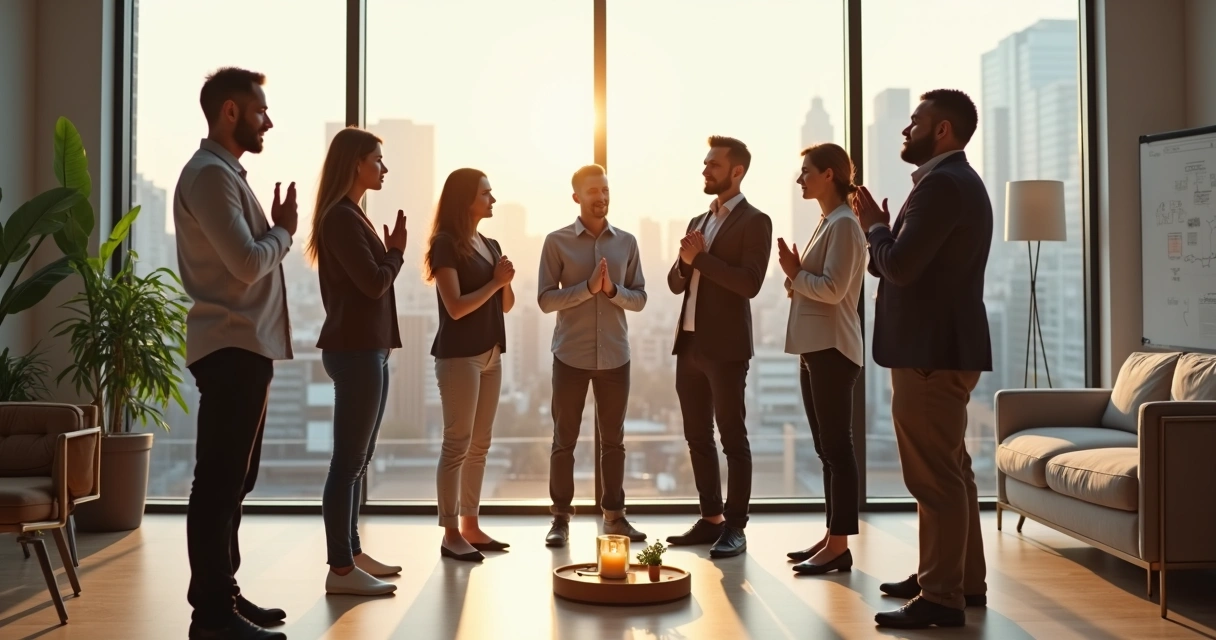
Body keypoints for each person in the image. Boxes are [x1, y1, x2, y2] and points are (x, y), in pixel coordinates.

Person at [852, 89, 993, 629]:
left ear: (943, 131)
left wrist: (874, 229)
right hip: (941, 348)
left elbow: (900, 267)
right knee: (952, 469)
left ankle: (941, 595)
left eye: (915, 122)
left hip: (929, 352)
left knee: (933, 475)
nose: (905, 130)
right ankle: (959, 579)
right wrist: (883, 238)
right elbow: (894, 264)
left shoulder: (942, 186)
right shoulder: (952, 183)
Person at [174, 67, 292, 640]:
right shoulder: (208, 177)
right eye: (260, 110)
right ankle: (212, 616)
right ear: (229, 112)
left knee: (234, 482)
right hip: (230, 345)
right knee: (218, 481)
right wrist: (285, 232)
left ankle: (227, 596)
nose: (267, 119)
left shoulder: (225, 175)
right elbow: (247, 264)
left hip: (246, 346)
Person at [308, 127, 408, 596]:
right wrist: (396, 255)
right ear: (355, 164)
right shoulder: (341, 219)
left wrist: (389, 253)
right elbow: (373, 283)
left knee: (359, 459)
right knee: (347, 462)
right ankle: (340, 570)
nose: (384, 169)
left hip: (369, 348)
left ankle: (352, 552)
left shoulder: (352, 215)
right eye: (378, 160)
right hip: (354, 350)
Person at [666, 136, 773, 559]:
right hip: (688, 343)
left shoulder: (755, 221)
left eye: (713, 164)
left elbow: (749, 283)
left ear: (737, 171)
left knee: (733, 438)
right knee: (697, 436)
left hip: (726, 348)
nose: (706, 170)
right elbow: (678, 283)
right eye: (705, 163)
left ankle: (735, 527)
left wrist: (701, 259)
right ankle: (710, 518)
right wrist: (684, 260)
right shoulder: (698, 219)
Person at [538, 164, 648, 548]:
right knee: (563, 440)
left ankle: (615, 518)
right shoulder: (556, 242)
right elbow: (545, 299)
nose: (600, 196)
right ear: (576, 197)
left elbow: (640, 298)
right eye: (592, 191)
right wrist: (587, 288)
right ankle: (560, 520)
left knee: (613, 441)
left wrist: (613, 291)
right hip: (570, 355)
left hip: (616, 357)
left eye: (604, 189)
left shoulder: (627, 243)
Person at [775, 143, 866, 575]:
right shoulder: (828, 222)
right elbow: (819, 285)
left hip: (833, 348)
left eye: (806, 171)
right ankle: (832, 537)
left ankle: (840, 545)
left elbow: (832, 290)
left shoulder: (846, 225)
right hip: (815, 347)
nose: (800, 179)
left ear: (829, 174)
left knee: (836, 448)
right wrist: (797, 279)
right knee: (825, 449)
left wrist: (795, 273)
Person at [425, 168, 515, 562]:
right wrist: (496, 282)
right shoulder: (445, 244)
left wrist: (505, 281)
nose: (493, 199)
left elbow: (506, 306)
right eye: (486, 193)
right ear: (466, 199)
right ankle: (449, 532)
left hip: (492, 354)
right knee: (457, 444)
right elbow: (457, 307)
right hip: (460, 356)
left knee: (480, 444)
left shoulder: (491, 244)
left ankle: (471, 524)